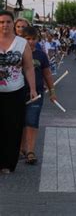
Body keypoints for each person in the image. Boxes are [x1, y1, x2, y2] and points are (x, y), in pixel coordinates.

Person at [0, 11, 37, 174]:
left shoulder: (22, 43)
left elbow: (29, 68)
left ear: (12, 24)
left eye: (8, 22)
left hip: (16, 91)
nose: (4, 25)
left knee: (13, 127)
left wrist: (33, 89)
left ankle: (8, 163)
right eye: (1, 22)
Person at [21, 26, 57, 165]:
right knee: (20, 121)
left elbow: (47, 74)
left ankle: (30, 151)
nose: (31, 42)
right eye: (27, 39)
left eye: (33, 39)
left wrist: (52, 92)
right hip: (18, 92)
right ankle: (21, 149)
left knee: (32, 120)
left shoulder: (41, 55)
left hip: (36, 93)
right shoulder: (17, 53)